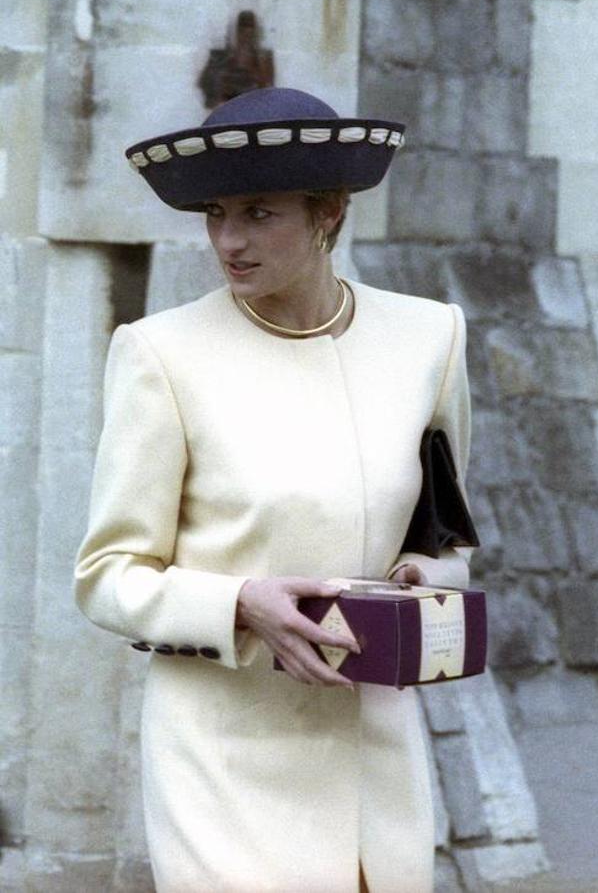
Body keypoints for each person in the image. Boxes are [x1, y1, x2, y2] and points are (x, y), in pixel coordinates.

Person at [74, 87, 472, 892]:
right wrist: (241, 604)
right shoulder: (161, 354)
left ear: (329, 212)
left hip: (373, 751)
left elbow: (446, 534)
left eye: (259, 213)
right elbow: (107, 577)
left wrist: (430, 579)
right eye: (216, 214)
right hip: (223, 758)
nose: (229, 240)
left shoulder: (429, 336)